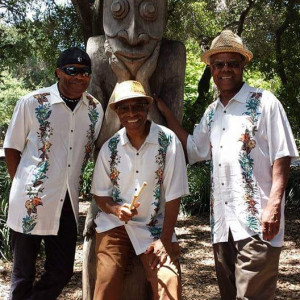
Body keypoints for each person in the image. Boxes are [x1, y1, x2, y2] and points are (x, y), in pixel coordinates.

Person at [156, 30, 299, 299]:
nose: (225, 69)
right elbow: (195, 148)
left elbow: (283, 155)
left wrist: (274, 205)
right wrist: (165, 113)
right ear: (210, 68)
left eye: (232, 63)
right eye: (218, 64)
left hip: (257, 223)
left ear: (242, 65)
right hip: (223, 226)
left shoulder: (264, 102)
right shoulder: (212, 112)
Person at [4, 47, 103, 300]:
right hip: (30, 200)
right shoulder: (33, 102)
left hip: (67, 201)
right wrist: (21, 185)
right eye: (72, 71)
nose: (79, 77)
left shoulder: (94, 109)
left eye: (85, 72)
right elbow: (12, 147)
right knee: (23, 272)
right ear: (59, 72)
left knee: (62, 270)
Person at [91, 80, 189, 300]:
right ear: (116, 112)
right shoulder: (111, 148)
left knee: (169, 282)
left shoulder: (167, 142)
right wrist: (116, 209)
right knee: (106, 282)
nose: (131, 112)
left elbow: (175, 194)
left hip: (154, 225)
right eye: (124, 108)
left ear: (147, 107)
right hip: (115, 225)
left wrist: (164, 240)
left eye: (137, 106)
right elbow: (100, 195)